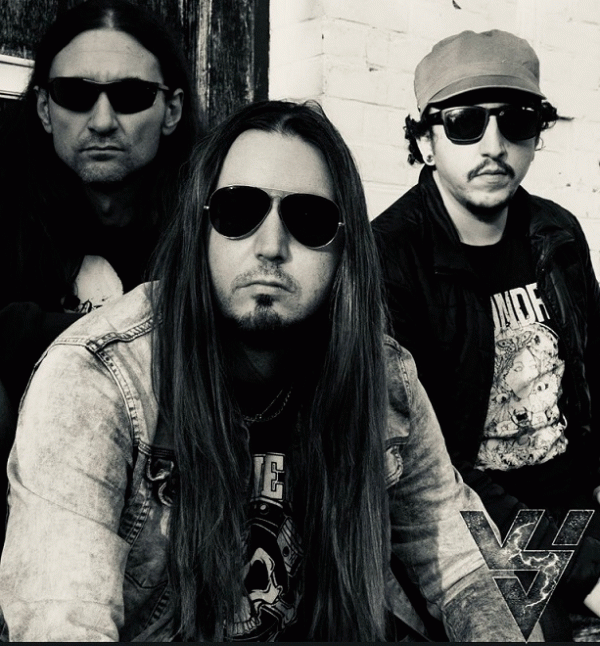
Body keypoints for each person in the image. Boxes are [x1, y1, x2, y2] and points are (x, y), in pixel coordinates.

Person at [0, 100, 529, 641]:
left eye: (309, 220)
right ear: (200, 227)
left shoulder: (382, 377)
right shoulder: (97, 380)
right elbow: (60, 622)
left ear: (343, 249)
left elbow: (468, 563)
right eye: (238, 211)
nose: (271, 247)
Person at [372, 29, 600, 640]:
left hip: (578, 508)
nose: (494, 146)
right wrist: (579, 569)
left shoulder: (557, 232)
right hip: (473, 530)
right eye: (465, 123)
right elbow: (427, 472)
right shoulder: (389, 260)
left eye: (517, 121)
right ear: (425, 140)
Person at [0, 0, 202, 414]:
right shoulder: (7, 210)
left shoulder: (212, 222)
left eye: (131, 95)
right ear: (44, 109)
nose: (103, 121)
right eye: (75, 94)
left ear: (172, 110)